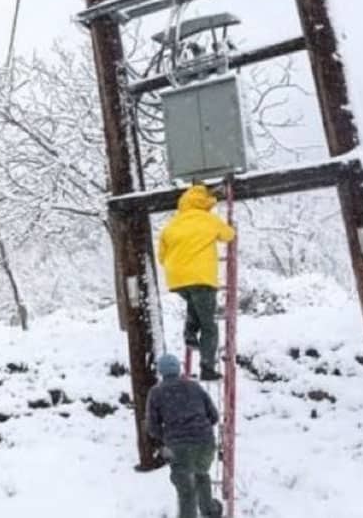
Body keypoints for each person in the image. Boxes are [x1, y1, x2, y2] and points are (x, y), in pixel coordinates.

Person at [157, 184, 236, 380]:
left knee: (195, 304)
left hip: (177, 279)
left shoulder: (172, 224)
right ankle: (207, 368)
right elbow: (229, 235)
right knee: (209, 325)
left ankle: (190, 334)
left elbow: (161, 256)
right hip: (201, 278)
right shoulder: (208, 220)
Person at [147, 353, 223, 518]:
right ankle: (210, 510)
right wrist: (199, 429)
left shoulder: (156, 393)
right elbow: (214, 416)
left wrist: (167, 436)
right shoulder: (194, 386)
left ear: (161, 372)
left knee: (186, 491)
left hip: (179, 446)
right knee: (201, 474)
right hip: (205, 442)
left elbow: (152, 427)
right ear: (178, 369)